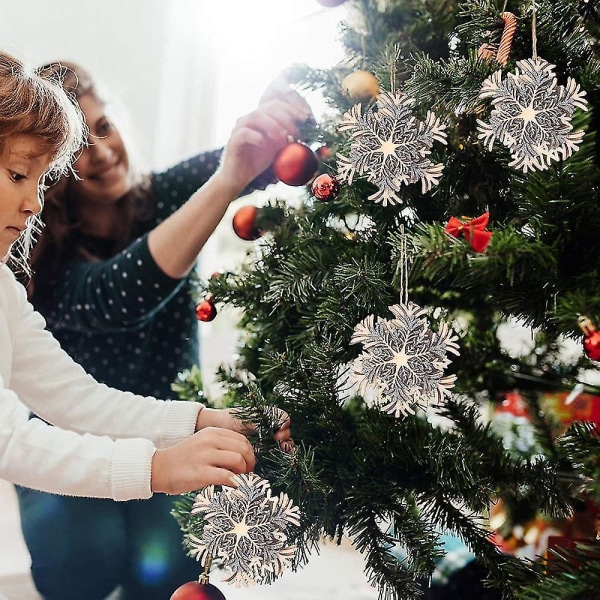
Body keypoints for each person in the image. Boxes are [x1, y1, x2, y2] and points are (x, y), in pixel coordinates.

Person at [13, 60, 309, 600]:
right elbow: (119, 298)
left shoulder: (164, 193)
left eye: (103, 128)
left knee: (170, 568)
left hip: (156, 422)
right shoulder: (32, 253)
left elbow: (254, 162)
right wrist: (156, 466)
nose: (100, 151)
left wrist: (276, 122)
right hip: (71, 441)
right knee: (84, 560)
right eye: (78, 145)